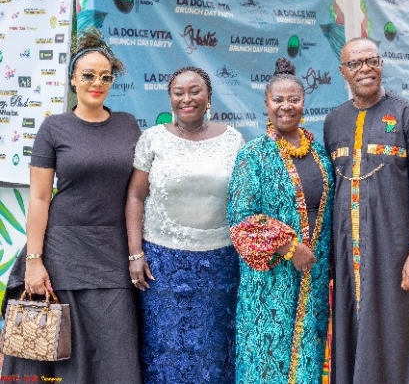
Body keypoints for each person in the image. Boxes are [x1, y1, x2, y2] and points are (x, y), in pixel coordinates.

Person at [1, 29, 142, 383]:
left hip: (113, 251)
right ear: (72, 81)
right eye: (89, 76)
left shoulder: (128, 125)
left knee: (115, 346)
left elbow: (138, 192)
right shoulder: (53, 128)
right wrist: (34, 261)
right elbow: (38, 197)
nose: (98, 83)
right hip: (62, 251)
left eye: (105, 77)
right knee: (65, 348)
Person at [324, 38, 409, 384]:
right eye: (355, 64)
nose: (364, 69)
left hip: (395, 251)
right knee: (350, 330)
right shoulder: (333, 121)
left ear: (381, 64)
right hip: (346, 254)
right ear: (343, 72)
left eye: (370, 60)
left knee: (397, 333)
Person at [125, 66, 244, 384]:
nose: (186, 98)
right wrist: (136, 254)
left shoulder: (232, 139)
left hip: (219, 263)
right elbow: (136, 196)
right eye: (179, 92)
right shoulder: (152, 139)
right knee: (165, 347)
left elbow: (244, 198)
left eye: (195, 91)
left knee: (214, 347)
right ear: (169, 99)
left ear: (209, 98)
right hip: (162, 266)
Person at [227, 58, 333, 384]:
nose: (286, 107)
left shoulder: (320, 154)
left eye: (294, 99)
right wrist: (288, 246)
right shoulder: (254, 154)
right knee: (266, 357)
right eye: (278, 100)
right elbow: (241, 220)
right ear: (266, 105)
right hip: (269, 283)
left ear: (304, 103)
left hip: (313, 279)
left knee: (308, 357)